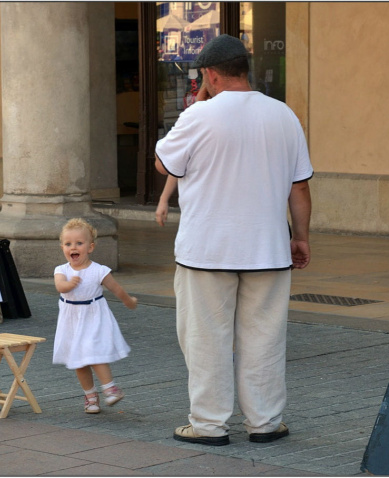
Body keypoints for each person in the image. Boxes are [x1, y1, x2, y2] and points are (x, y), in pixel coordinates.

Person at [154, 34, 313, 446]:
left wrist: (200, 105)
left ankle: (208, 425)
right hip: (268, 247)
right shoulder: (283, 115)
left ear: (208, 74)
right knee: (265, 339)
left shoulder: (198, 115)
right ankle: (265, 422)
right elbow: (299, 189)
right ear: (245, 70)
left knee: (206, 339)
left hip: (206, 249)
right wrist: (301, 238)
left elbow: (162, 162)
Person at [53, 218, 137, 414]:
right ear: (62, 247)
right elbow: (59, 286)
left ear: (90, 247)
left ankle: (110, 388)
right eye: (68, 244)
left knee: (93, 352)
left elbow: (116, 288)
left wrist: (128, 300)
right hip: (71, 320)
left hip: (93, 317)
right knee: (78, 361)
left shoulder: (99, 270)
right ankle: (90, 396)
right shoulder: (62, 270)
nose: (73, 247)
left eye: (79, 243)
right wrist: (69, 284)